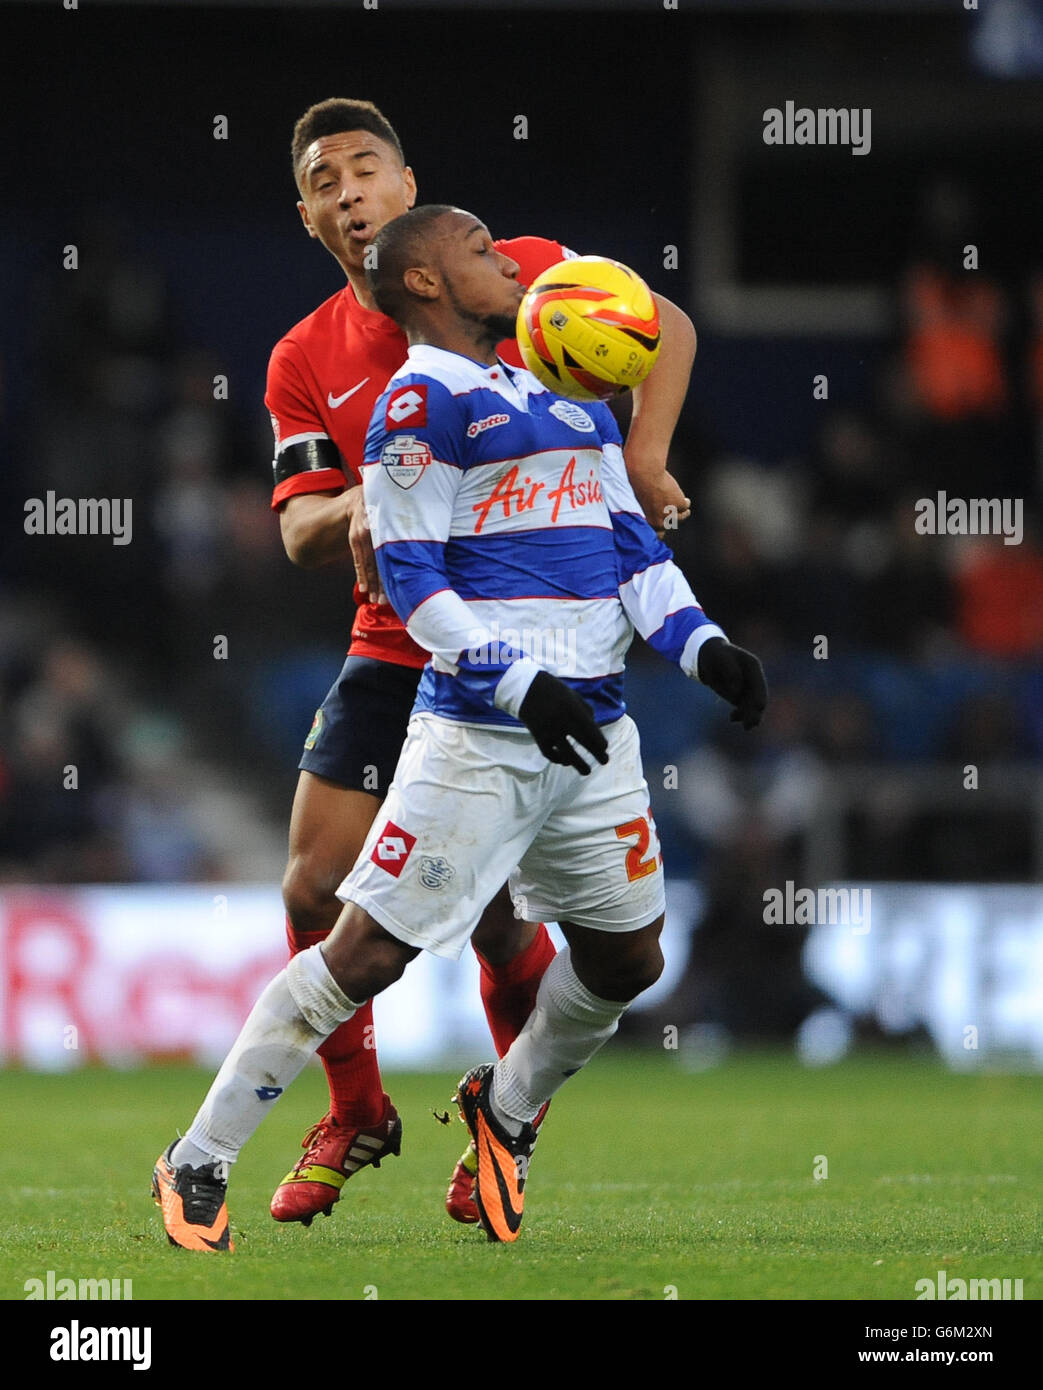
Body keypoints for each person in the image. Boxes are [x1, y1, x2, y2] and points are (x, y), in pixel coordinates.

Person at [151, 204, 767, 1250]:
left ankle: (506, 1107)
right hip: (478, 740)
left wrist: (703, 646)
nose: (506, 263)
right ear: (429, 284)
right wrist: (523, 684)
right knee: (363, 951)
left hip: (595, 737)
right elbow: (413, 583)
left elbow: (631, 551)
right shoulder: (417, 402)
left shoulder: (571, 388)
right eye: (481, 252)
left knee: (627, 961)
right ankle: (198, 1157)